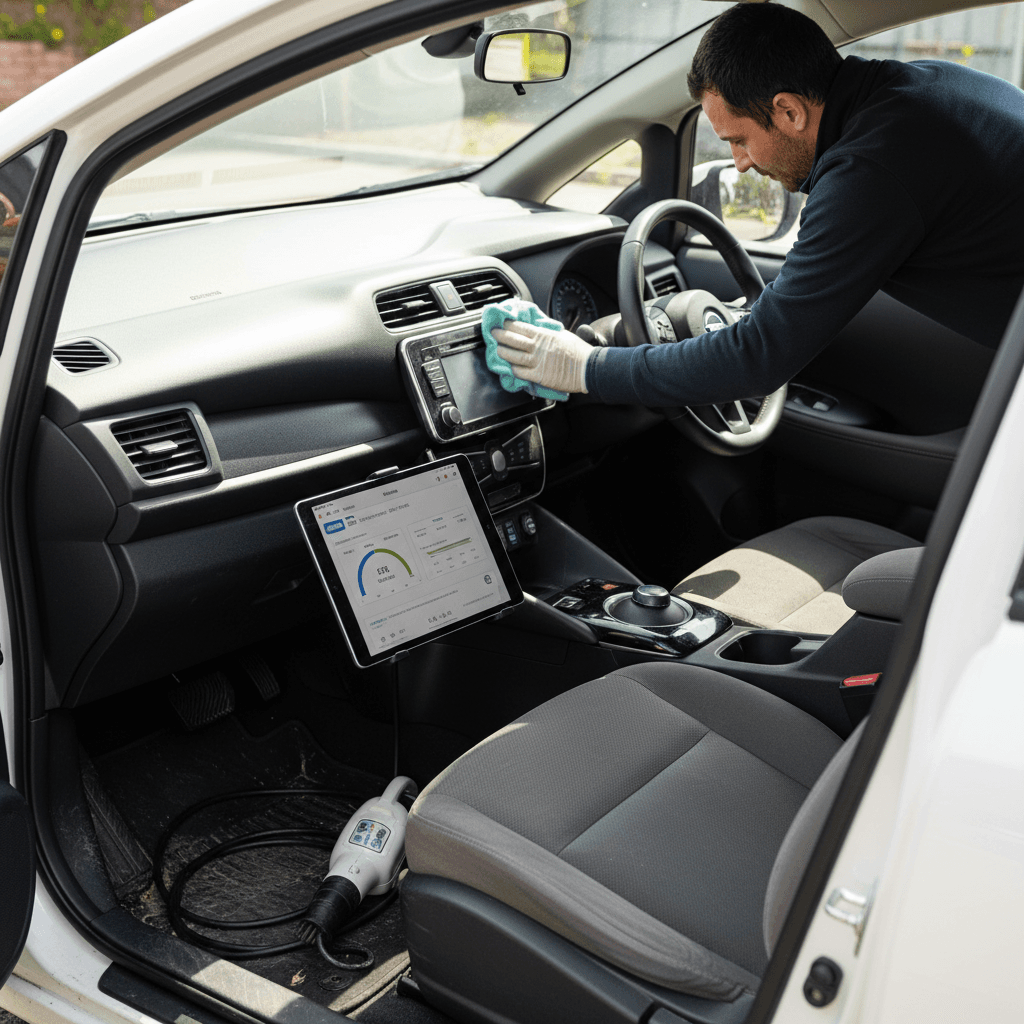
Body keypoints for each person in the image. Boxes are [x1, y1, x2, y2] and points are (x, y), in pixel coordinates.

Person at [492, 2, 1024, 407]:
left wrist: (582, 367)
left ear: (788, 110)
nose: (741, 163)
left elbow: (759, 357)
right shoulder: (917, 93)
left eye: (738, 140)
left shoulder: (871, 169)